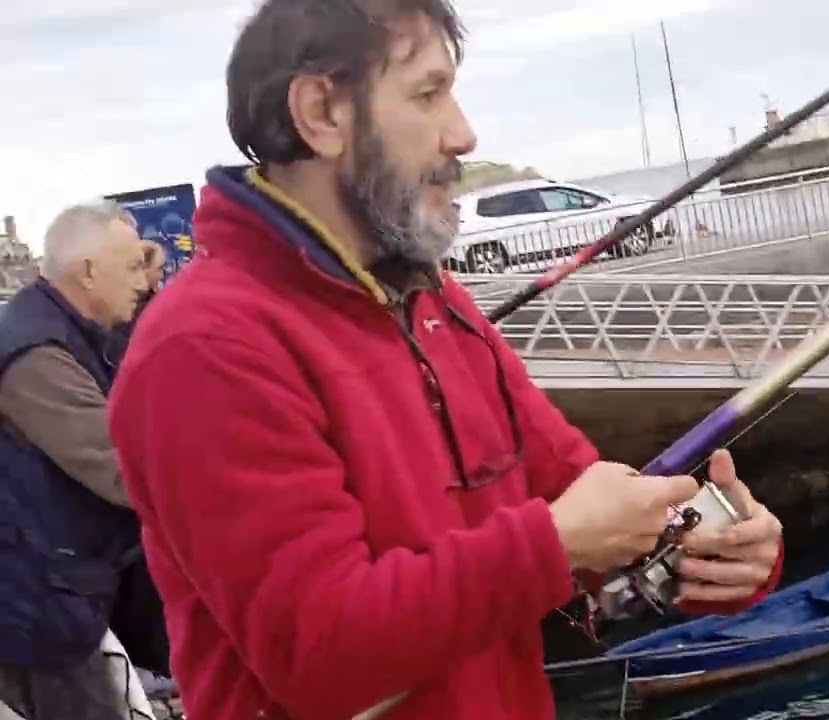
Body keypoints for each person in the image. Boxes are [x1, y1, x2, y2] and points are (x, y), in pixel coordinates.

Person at [105, 2, 785, 720]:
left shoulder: (436, 302)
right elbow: (317, 651)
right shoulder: (200, 348)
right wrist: (555, 544)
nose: (463, 132)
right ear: (321, 112)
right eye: (428, 94)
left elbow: (579, 499)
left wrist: (712, 550)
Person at [0, 200, 152, 719]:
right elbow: (125, 469)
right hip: (37, 606)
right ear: (88, 271)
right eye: (131, 267)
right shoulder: (36, 356)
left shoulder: (70, 330)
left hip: (65, 586)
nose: (143, 279)